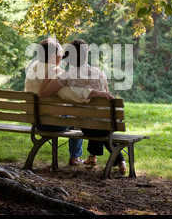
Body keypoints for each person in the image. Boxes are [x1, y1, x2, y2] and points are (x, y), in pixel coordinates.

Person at [38, 39, 127, 175]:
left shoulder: (66, 76)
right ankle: (116, 160)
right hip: (107, 123)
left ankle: (95, 158)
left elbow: (42, 93)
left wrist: (50, 72)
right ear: (86, 55)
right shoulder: (100, 73)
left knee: (91, 121)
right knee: (97, 120)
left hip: (86, 125)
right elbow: (107, 98)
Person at [24, 38, 111, 166]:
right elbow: (69, 93)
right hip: (50, 122)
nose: (63, 55)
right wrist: (93, 92)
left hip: (34, 119)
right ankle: (75, 156)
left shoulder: (34, 67)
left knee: (71, 112)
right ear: (54, 56)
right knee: (74, 113)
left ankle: (89, 155)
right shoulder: (55, 73)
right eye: (61, 52)